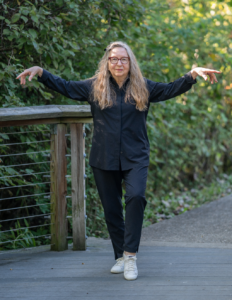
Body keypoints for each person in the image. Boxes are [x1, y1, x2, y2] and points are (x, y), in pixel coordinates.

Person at [16, 41, 221, 281]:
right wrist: (41, 73)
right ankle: (120, 256)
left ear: (130, 62)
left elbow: (169, 89)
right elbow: (66, 87)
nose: (119, 63)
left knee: (136, 197)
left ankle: (131, 257)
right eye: (114, 59)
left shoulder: (143, 86)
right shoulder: (95, 87)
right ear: (107, 62)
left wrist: (191, 75)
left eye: (123, 59)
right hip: (104, 157)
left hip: (136, 156)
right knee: (112, 209)